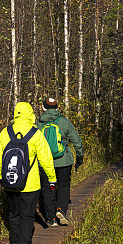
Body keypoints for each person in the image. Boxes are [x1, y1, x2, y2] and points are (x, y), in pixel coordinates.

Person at [0, 101, 57, 244]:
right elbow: (46, 159)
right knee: (27, 217)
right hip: (30, 184)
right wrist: (52, 179)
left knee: (13, 214)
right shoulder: (36, 134)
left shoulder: (5, 132)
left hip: (10, 182)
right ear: (30, 114)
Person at [36, 97, 83, 227]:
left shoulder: (38, 124)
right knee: (63, 186)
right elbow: (76, 141)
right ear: (57, 108)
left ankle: (50, 218)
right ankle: (60, 210)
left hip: (45, 162)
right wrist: (80, 157)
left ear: (43, 107)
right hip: (64, 161)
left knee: (48, 188)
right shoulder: (64, 122)